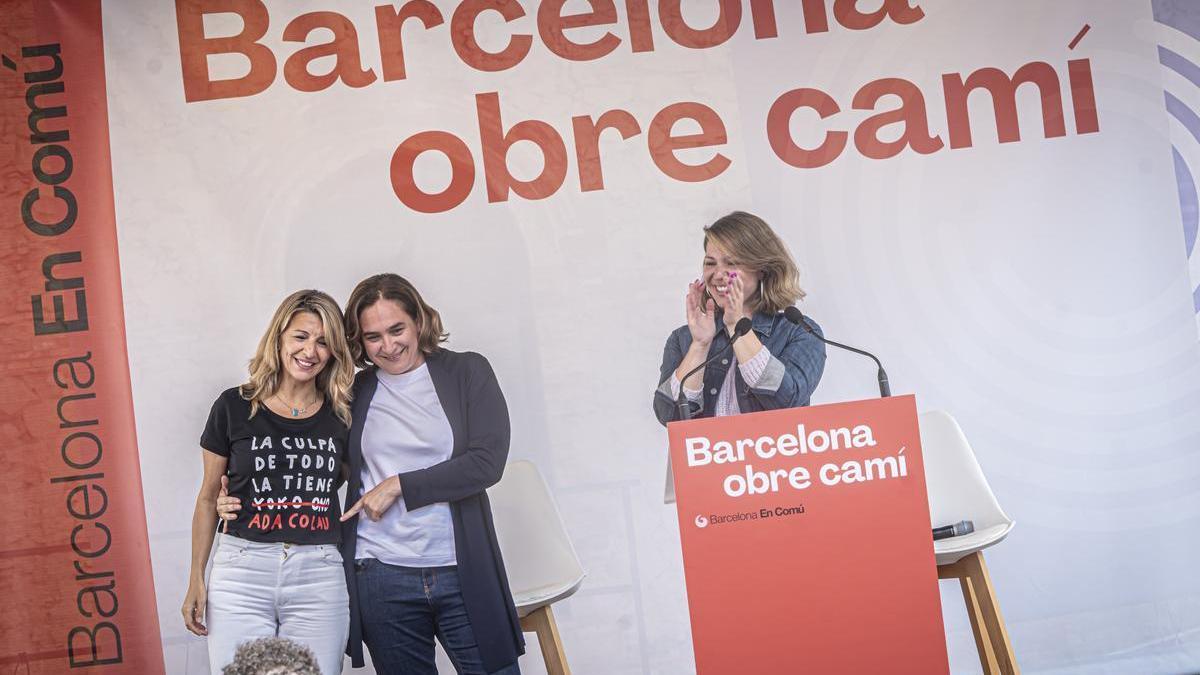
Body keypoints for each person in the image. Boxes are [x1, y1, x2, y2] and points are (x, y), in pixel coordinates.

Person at [217, 275, 524, 675]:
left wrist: (399, 486)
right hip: (380, 575)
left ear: (419, 320)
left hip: (459, 568)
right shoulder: (353, 392)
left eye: (397, 329)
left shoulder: (467, 372)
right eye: (373, 336)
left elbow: (487, 462)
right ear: (358, 342)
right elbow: (316, 464)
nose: (389, 345)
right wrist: (239, 494)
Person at [183, 290, 356, 675]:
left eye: (324, 342)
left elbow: (354, 478)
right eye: (301, 336)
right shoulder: (234, 406)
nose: (310, 350)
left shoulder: (342, 413)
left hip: (318, 574)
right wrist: (196, 577)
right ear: (279, 337)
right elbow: (210, 497)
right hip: (242, 571)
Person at [653, 211, 827, 423]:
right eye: (710, 263)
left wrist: (737, 325)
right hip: (708, 456)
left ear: (761, 269)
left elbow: (785, 402)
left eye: (731, 262)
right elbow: (669, 417)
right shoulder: (683, 338)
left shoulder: (799, 331)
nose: (718, 274)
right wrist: (700, 345)